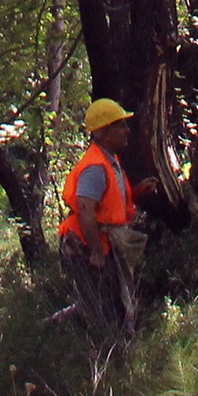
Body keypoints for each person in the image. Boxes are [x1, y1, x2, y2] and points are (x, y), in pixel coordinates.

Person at [57, 96, 141, 340]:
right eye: (121, 125)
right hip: (83, 247)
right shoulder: (95, 167)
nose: (127, 130)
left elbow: (107, 203)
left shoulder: (109, 160)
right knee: (99, 312)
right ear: (104, 131)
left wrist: (138, 191)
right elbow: (85, 212)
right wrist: (95, 251)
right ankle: (53, 334)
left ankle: (56, 330)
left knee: (105, 305)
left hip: (100, 245)